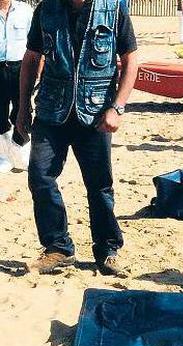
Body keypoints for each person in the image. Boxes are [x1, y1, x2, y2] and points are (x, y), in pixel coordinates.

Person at [17, 0, 139, 275]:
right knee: (40, 177)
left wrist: (117, 107)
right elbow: (31, 58)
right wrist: (23, 107)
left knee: (99, 186)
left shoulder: (114, 8)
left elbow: (131, 61)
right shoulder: (46, 9)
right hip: (51, 111)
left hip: (95, 114)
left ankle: (107, 251)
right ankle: (57, 248)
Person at [0, 0, 32, 147]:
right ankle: (4, 153)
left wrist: (37, 71)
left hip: (21, 68)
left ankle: (20, 146)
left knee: (22, 108)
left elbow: (36, 44)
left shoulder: (25, 10)